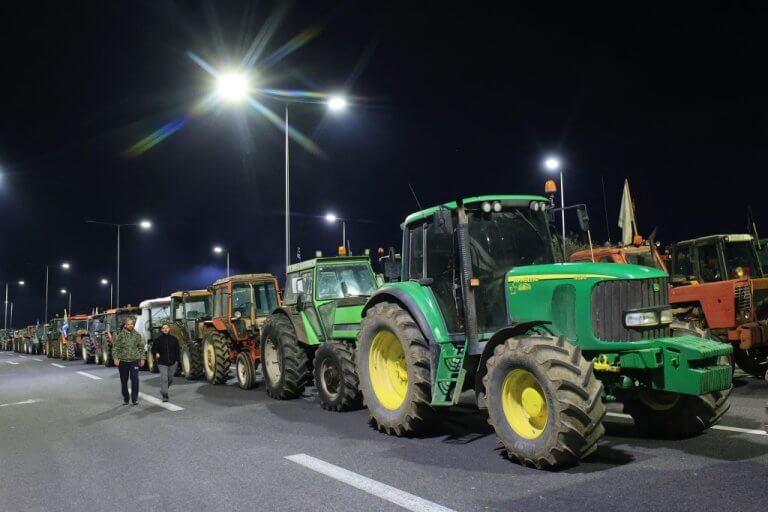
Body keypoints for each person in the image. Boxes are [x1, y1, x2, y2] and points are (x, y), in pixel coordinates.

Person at [113, 317, 145, 405]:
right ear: (125, 325)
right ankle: (126, 398)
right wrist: (115, 358)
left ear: (133, 325)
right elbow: (116, 348)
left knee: (135, 379)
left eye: (131, 324)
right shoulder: (120, 335)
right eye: (128, 324)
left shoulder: (137, 335)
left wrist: (142, 358)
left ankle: (134, 399)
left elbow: (141, 348)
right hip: (123, 361)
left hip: (134, 361)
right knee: (124, 381)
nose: (130, 325)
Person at [152, 323, 180, 402]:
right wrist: (156, 353)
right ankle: (165, 395)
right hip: (162, 362)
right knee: (164, 378)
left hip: (173, 362)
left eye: (167, 328)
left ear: (169, 329)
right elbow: (153, 349)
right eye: (163, 328)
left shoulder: (174, 339)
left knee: (170, 379)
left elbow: (177, 350)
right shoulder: (158, 340)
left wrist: (177, 360)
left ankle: (163, 389)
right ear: (161, 330)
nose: (165, 329)